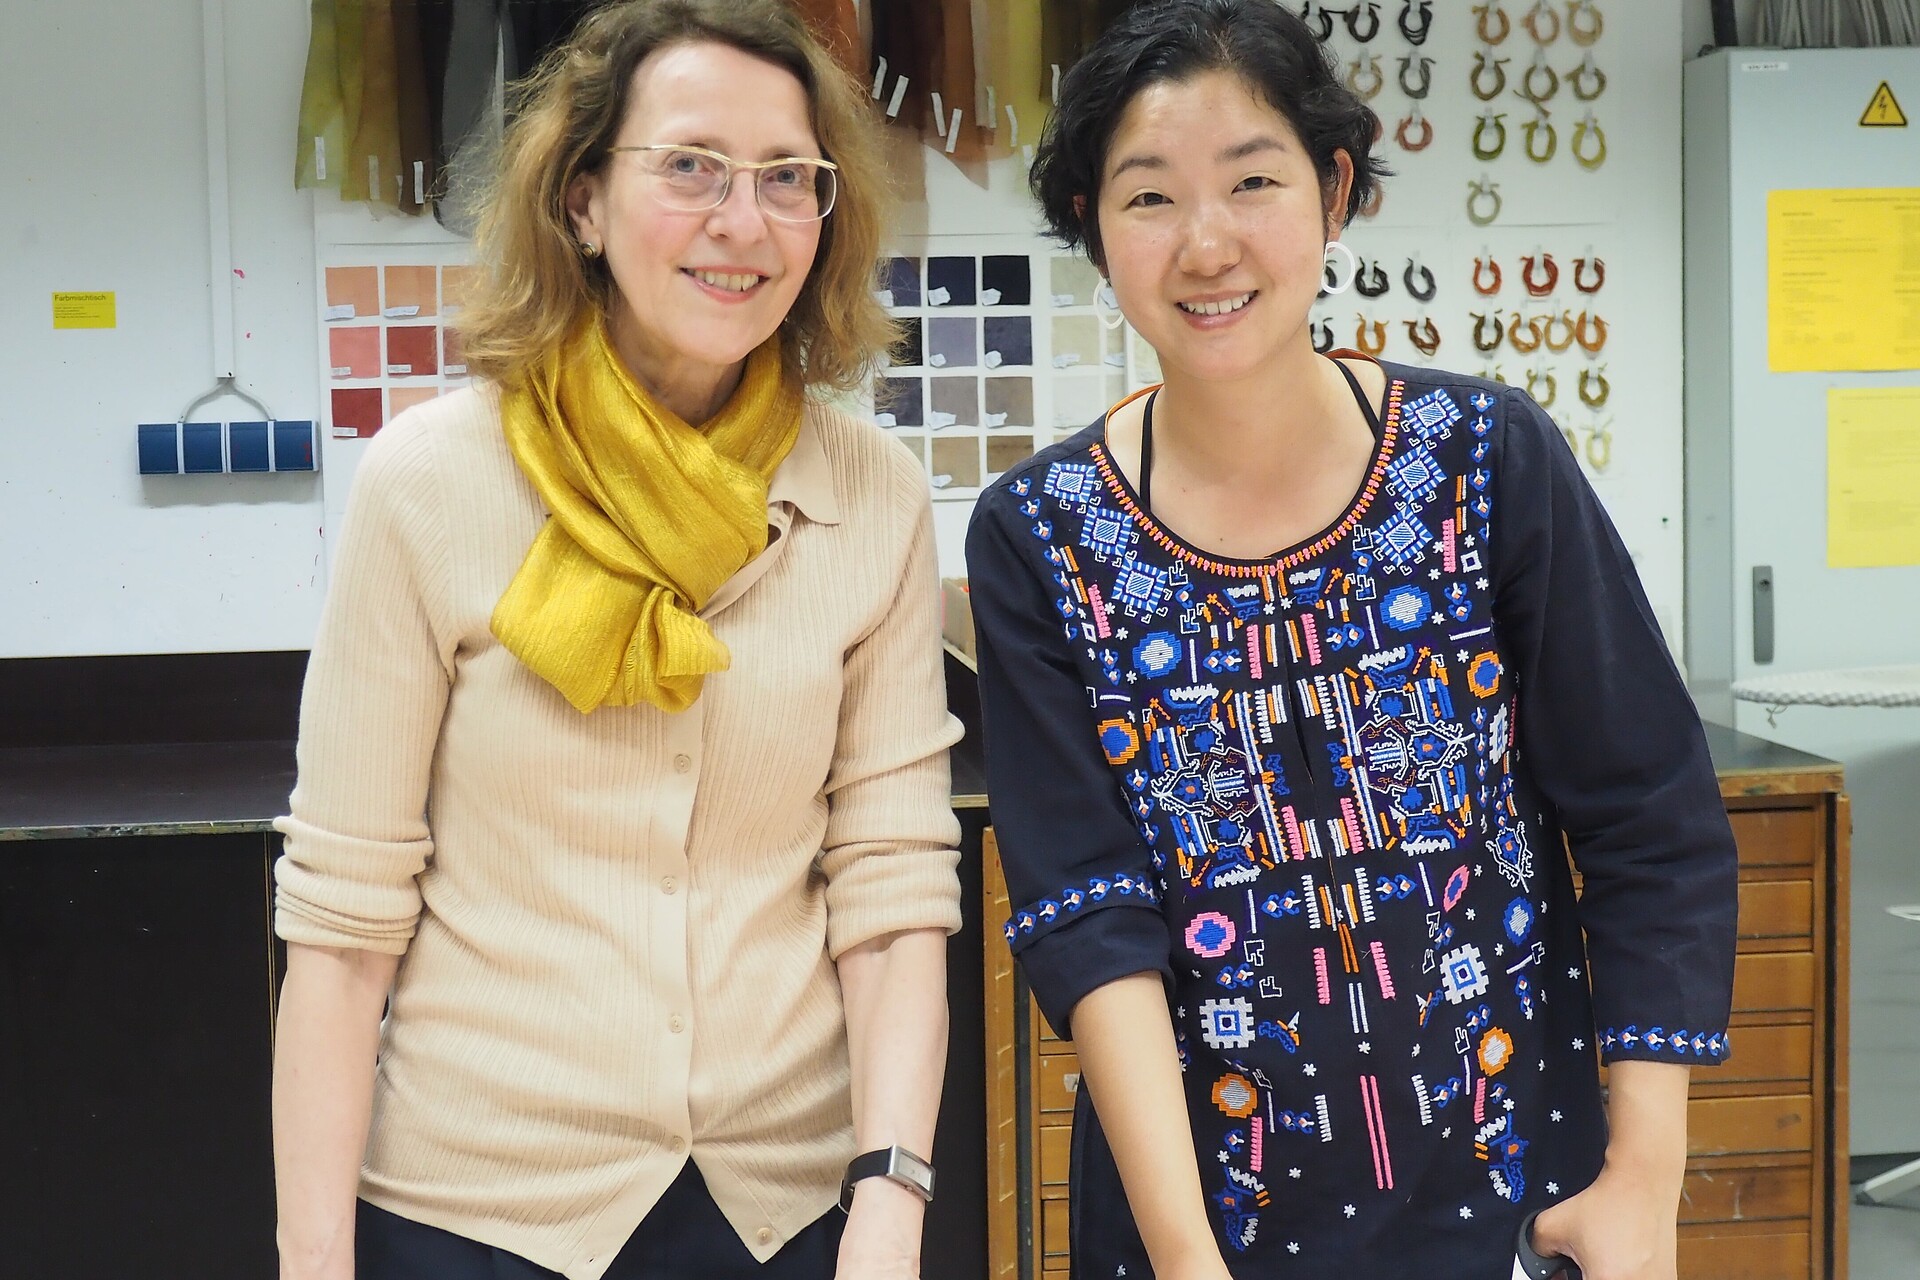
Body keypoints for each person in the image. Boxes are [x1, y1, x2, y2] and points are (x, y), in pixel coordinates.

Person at [966, 3, 1738, 1277]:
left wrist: (1642, 1187)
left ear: (1332, 189)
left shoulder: (1487, 461)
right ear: (1095, 232)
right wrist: (1183, 1258)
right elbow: (1088, 921)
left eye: (1254, 181)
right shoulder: (1040, 534)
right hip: (1199, 1227)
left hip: (1518, 1207)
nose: (1207, 243)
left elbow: (1651, 820)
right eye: (1148, 197)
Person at [271, 4, 962, 1279]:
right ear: (582, 201)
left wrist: (892, 1203)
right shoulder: (430, 484)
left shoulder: (873, 497)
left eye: (786, 179)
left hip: (789, 1209)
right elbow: (341, 919)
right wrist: (313, 1261)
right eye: (689, 165)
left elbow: (893, 887)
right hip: (477, 1213)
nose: (741, 221)